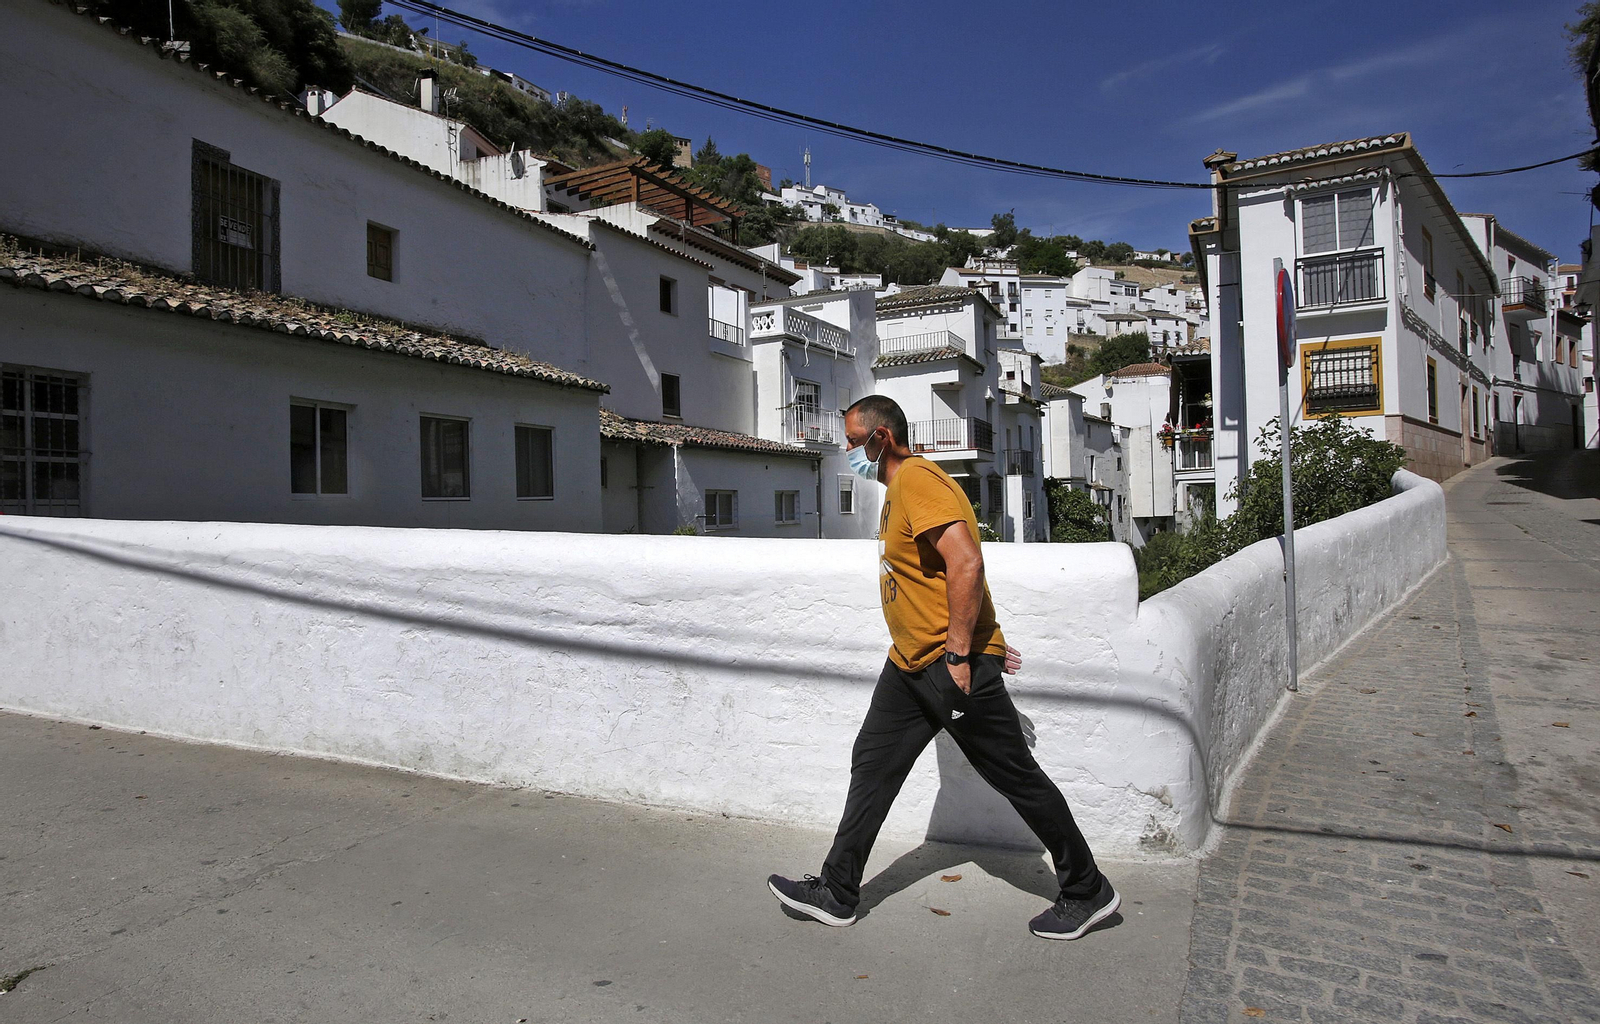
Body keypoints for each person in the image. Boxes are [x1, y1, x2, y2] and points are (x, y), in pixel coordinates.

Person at [767, 395, 1117, 941]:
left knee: (1016, 777)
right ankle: (837, 892)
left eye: (854, 441)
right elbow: (937, 576)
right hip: (908, 665)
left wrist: (965, 651)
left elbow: (967, 559)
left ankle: (1087, 889)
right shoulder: (899, 491)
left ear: (881, 439)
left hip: (944, 664)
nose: (849, 452)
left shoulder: (919, 481)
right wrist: (987, 636)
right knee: (873, 762)